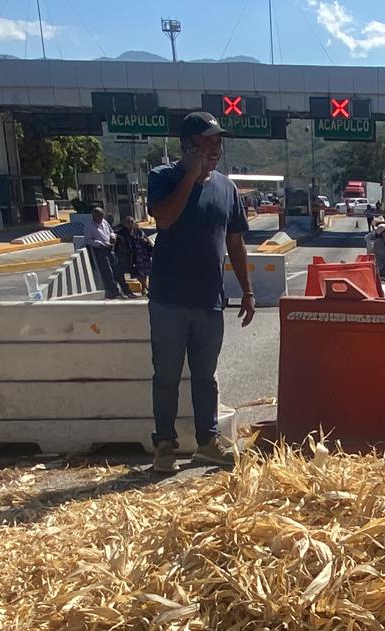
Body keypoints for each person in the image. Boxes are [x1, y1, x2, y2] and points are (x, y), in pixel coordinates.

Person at [146, 111, 254, 475]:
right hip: (168, 299)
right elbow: (164, 219)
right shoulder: (163, 178)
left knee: (206, 376)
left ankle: (207, 443)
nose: (215, 149)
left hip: (210, 299)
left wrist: (248, 290)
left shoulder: (228, 188)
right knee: (167, 375)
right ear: (187, 146)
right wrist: (190, 178)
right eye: (207, 142)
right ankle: (164, 444)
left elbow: (235, 242)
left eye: (218, 142)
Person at [85, 207, 133, 300]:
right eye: (99, 216)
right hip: (100, 250)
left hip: (110, 248)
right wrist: (98, 244)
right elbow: (88, 240)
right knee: (108, 272)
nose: (101, 218)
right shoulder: (89, 226)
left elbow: (111, 231)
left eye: (102, 216)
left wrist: (112, 236)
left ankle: (126, 290)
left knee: (118, 270)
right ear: (94, 216)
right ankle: (115, 292)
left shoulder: (104, 222)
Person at [113, 216, 153, 295]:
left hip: (142, 253)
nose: (130, 223)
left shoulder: (138, 230)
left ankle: (144, 289)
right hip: (132, 255)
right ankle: (146, 287)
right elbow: (118, 240)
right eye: (128, 222)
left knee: (144, 272)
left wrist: (145, 241)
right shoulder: (122, 232)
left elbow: (145, 238)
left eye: (132, 221)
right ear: (125, 223)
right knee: (137, 272)